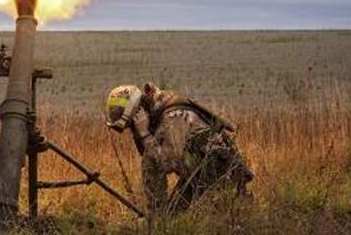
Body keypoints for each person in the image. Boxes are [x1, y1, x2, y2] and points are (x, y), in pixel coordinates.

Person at [105, 83, 254, 217]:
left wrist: (144, 134)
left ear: (139, 112)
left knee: (188, 221)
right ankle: (160, 220)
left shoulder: (173, 117)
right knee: (172, 218)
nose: (132, 129)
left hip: (219, 178)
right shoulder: (160, 114)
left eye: (131, 124)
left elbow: (166, 163)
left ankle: (159, 219)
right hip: (200, 177)